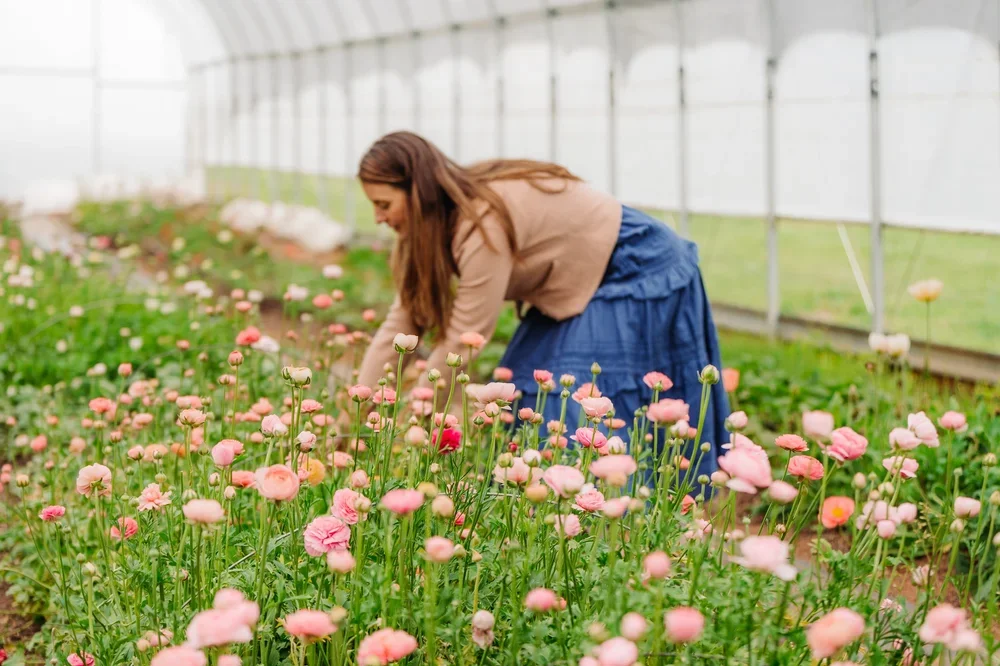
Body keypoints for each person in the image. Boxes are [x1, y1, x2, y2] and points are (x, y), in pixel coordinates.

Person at [355, 131, 730, 482]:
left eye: (384, 204)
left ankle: (611, 519)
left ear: (418, 192)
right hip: (580, 277)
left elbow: (463, 340)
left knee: (569, 398)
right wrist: (357, 409)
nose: (378, 217)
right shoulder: (426, 234)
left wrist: (405, 426)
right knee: (526, 387)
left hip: (637, 265)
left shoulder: (479, 223)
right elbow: (399, 328)